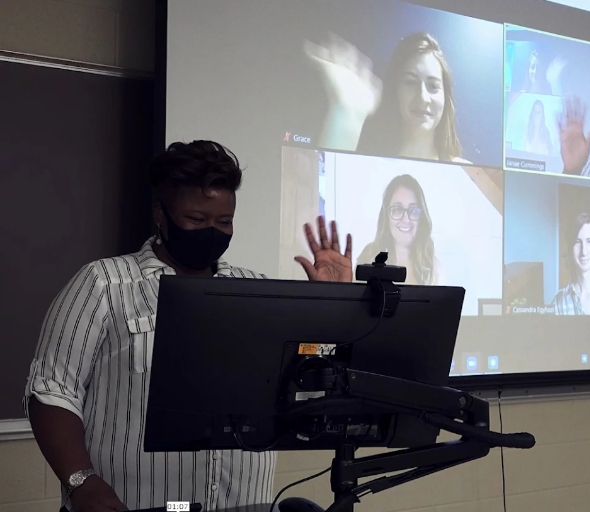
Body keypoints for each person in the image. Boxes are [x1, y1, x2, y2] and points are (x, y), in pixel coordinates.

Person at [23, 141, 353, 512]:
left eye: (223, 222)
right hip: (132, 506)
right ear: (161, 215)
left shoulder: (259, 292)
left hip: (244, 504)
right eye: (196, 220)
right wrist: (80, 481)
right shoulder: (103, 284)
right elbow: (51, 391)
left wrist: (334, 305)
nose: (211, 231)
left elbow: (308, 387)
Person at [305, 32, 470, 163]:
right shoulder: (369, 164)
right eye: (410, 82)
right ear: (396, 91)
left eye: (433, 86)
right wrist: (347, 114)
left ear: (445, 97)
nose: (423, 97)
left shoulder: (464, 172)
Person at [357, 174, 442, 285]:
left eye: (413, 210)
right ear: (386, 216)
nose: (406, 219)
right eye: (397, 209)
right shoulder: (369, 256)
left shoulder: (433, 268)